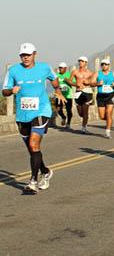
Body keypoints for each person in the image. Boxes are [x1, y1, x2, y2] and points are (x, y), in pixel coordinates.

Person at [2, 43, 66, 193]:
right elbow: (4, 91)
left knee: (33, 144)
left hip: (41, 111)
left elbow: (54, 78)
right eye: (23, 55)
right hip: (23, 114)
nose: (25, 58)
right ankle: (45, 171)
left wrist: (57, 90)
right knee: (32, 149)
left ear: (34, 54)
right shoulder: (13, 70)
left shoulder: (44, 67)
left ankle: (32, 181)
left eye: (28, 55)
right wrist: (12, 90)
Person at [92, 59, 114, 138]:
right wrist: (98, 83)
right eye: (103, 64)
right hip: (100, 96)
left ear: (109, 65)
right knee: (102, 116)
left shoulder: (113, 74)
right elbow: (91, 83)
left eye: (106, 64)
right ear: (101, 65)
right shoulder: (97, 74)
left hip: (110, 95)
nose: (104, 66)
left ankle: (107, 131)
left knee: (108, 112)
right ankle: (109, 120)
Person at [69, 56, 95, 134]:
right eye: (80, 61)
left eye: (82, 61)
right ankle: (85, 119)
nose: (81, 62)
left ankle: (84, 128)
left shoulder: (90, 73)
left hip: (87, 92)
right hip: (78, 93)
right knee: (80, 113)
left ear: (86, 63)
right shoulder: (75, 72)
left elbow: (94, 82)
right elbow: (69, 81)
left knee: (85, 111)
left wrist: (88, 82)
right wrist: (75, 84)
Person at [55, 62, 73, 129]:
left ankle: (68, 123)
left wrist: (67, 80)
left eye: (61, 68)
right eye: (59, 68)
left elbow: (73, 83)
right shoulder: (57, 75)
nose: (60, 69)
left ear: (65, 68)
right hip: (59, 95)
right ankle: (63, 117)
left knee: (69, 110)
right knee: (58, 109)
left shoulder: (69, 74)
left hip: (68, 96)